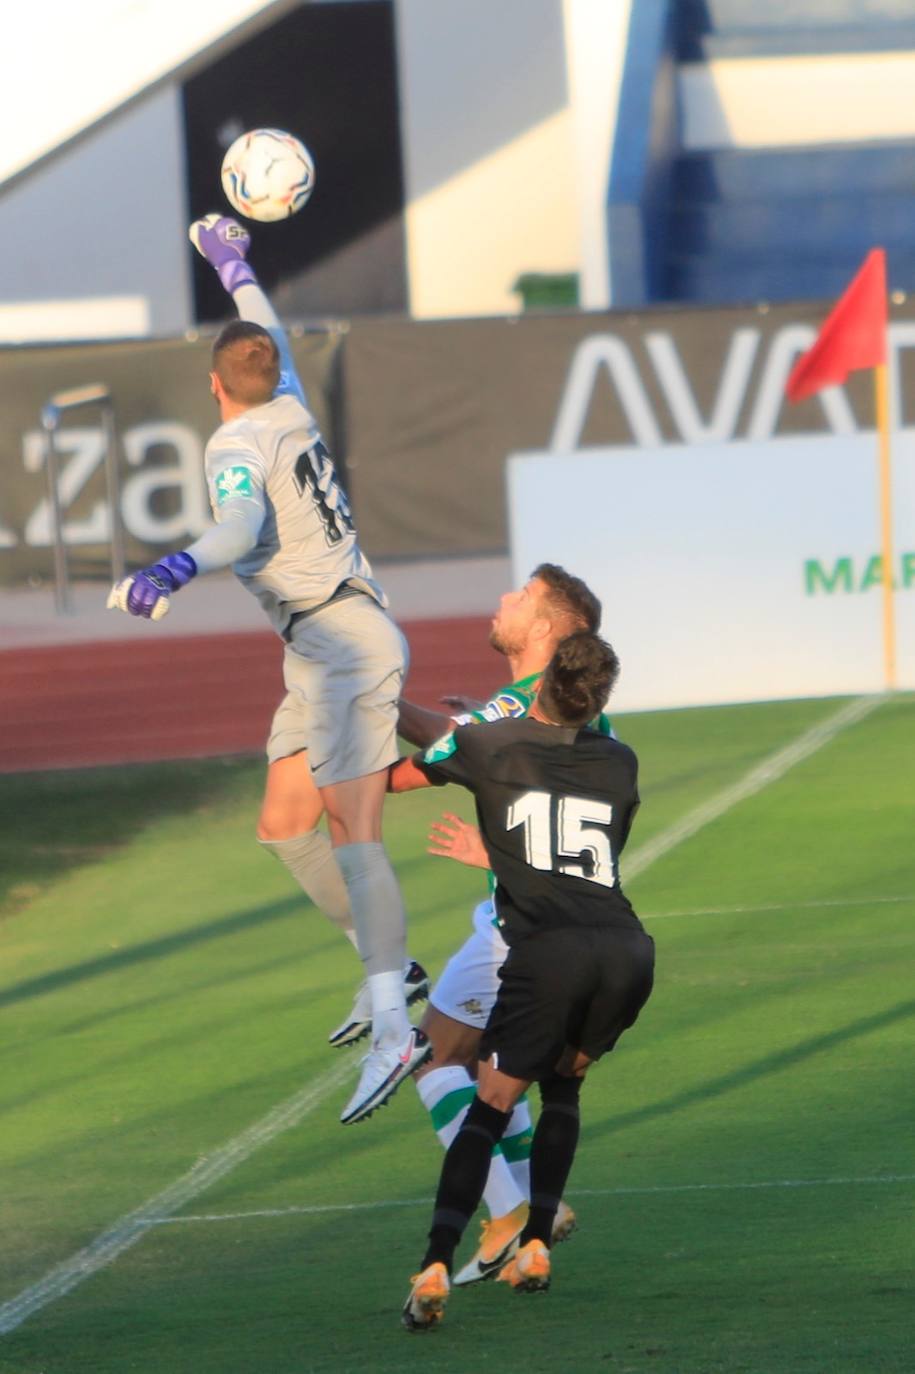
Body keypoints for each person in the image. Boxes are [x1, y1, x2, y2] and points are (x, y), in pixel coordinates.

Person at [107, 215, 430, 1124]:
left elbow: (239, 530)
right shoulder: (286, 396)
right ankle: (391, 964)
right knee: (287, 826)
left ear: (212, 384)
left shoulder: (234, 442)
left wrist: (172, 566)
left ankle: (393, 1025)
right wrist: (233, 264)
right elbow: (264, 328)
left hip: (342, 646)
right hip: (316, 647)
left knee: (353, 830)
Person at [391, 631, 655, 1331]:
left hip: (548, 951)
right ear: (601, 698)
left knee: (490, 1100)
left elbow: (413, 763)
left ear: (539, 684)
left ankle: (436, 1261)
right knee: (564, 1085)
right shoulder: (621, 761)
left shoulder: (492, 745)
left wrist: (374, 699)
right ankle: (535, 1244)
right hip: (627, 950)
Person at [396, 565, 607, 1283]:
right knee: (499, 1071)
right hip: (567, 926)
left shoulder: (519, 707)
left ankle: (510, 1208)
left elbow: (421, 763)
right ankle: (525, 1208)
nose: (501, 602)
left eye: (517, 598)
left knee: (434, 1059)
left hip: (516, 932)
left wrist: (363, 697)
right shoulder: (572, 709)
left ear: (544, 628)